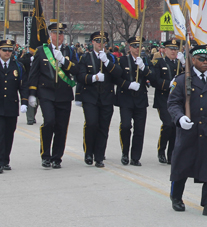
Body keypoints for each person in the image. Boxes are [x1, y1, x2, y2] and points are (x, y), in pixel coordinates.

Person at [168, 45, 207, 217]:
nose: (205, 62)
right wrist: (180, 118)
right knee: (182, 164)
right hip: (190, 128)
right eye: (201, 59)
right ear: (193, 60)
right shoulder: (181, 80)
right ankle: (176, 197)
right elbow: (173, 103)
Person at [28, 23, 79, 169]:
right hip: (46, 93)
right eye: (56, 33)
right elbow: (34, 74)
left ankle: (57, 158)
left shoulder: (69, 51)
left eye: (62, 33)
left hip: (64, 94)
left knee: (62, 127)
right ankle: (46, 156)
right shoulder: (41, 51)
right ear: (51, 35)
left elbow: (77, 69)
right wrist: (32, 94)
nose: (59, 36)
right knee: (49, 122)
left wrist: (63, 60)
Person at [76, 32, 122, 168]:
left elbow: (118, 74)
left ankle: (99, 156)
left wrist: (107, 62)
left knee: (103, 128)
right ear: (92, 43)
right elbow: (80, 76)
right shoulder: (85, 57)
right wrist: (94, 78)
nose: (100, 44)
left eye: (103, 41)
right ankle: (88, 152)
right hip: (90, 96)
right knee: (91, 124)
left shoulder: (110, 59)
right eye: (97, 41)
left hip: (106, 97)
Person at [115, 36, 154, 166]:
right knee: (125, 126)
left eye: (139, 46)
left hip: (140, 99)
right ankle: (125, 153)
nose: (137, 49)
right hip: (126, 98)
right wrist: (128, 85)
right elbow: (117, 78)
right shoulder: (122, 60)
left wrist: (144, 68)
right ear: (130, 47)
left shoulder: (144, 61)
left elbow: (152, 78)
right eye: (135, 46)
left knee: (139, 129)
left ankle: (135, 157)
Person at [151, 39, 184, 164]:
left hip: (176, 100)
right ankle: (161, 150)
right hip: (163, 99)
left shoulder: (179, 64)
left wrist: (185, 64)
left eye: (175, 49)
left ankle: (171, 154)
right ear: (164, 50)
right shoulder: (159, 62)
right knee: (168, 124)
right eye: (171, 49)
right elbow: (155, 80)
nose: (173, 52)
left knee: (175, 127)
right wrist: (168, 84)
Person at [0, 39, 28, 173]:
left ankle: (5, 160)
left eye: (9, 50)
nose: (7, 53)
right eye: (4, 50)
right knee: (0, 133)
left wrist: (24, 101)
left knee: (9, 134)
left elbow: (23, 86)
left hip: (11, 105)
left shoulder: (17, 66)